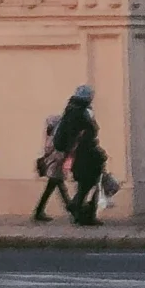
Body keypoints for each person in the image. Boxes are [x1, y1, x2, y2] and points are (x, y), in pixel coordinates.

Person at [36, 85, 101, 225]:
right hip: (69, 153)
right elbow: (84, 132)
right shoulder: (80, 112)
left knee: (56, 181)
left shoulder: (70, 111)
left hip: (66, 152)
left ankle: (68, 208)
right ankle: (72, 208)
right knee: (59, 181)